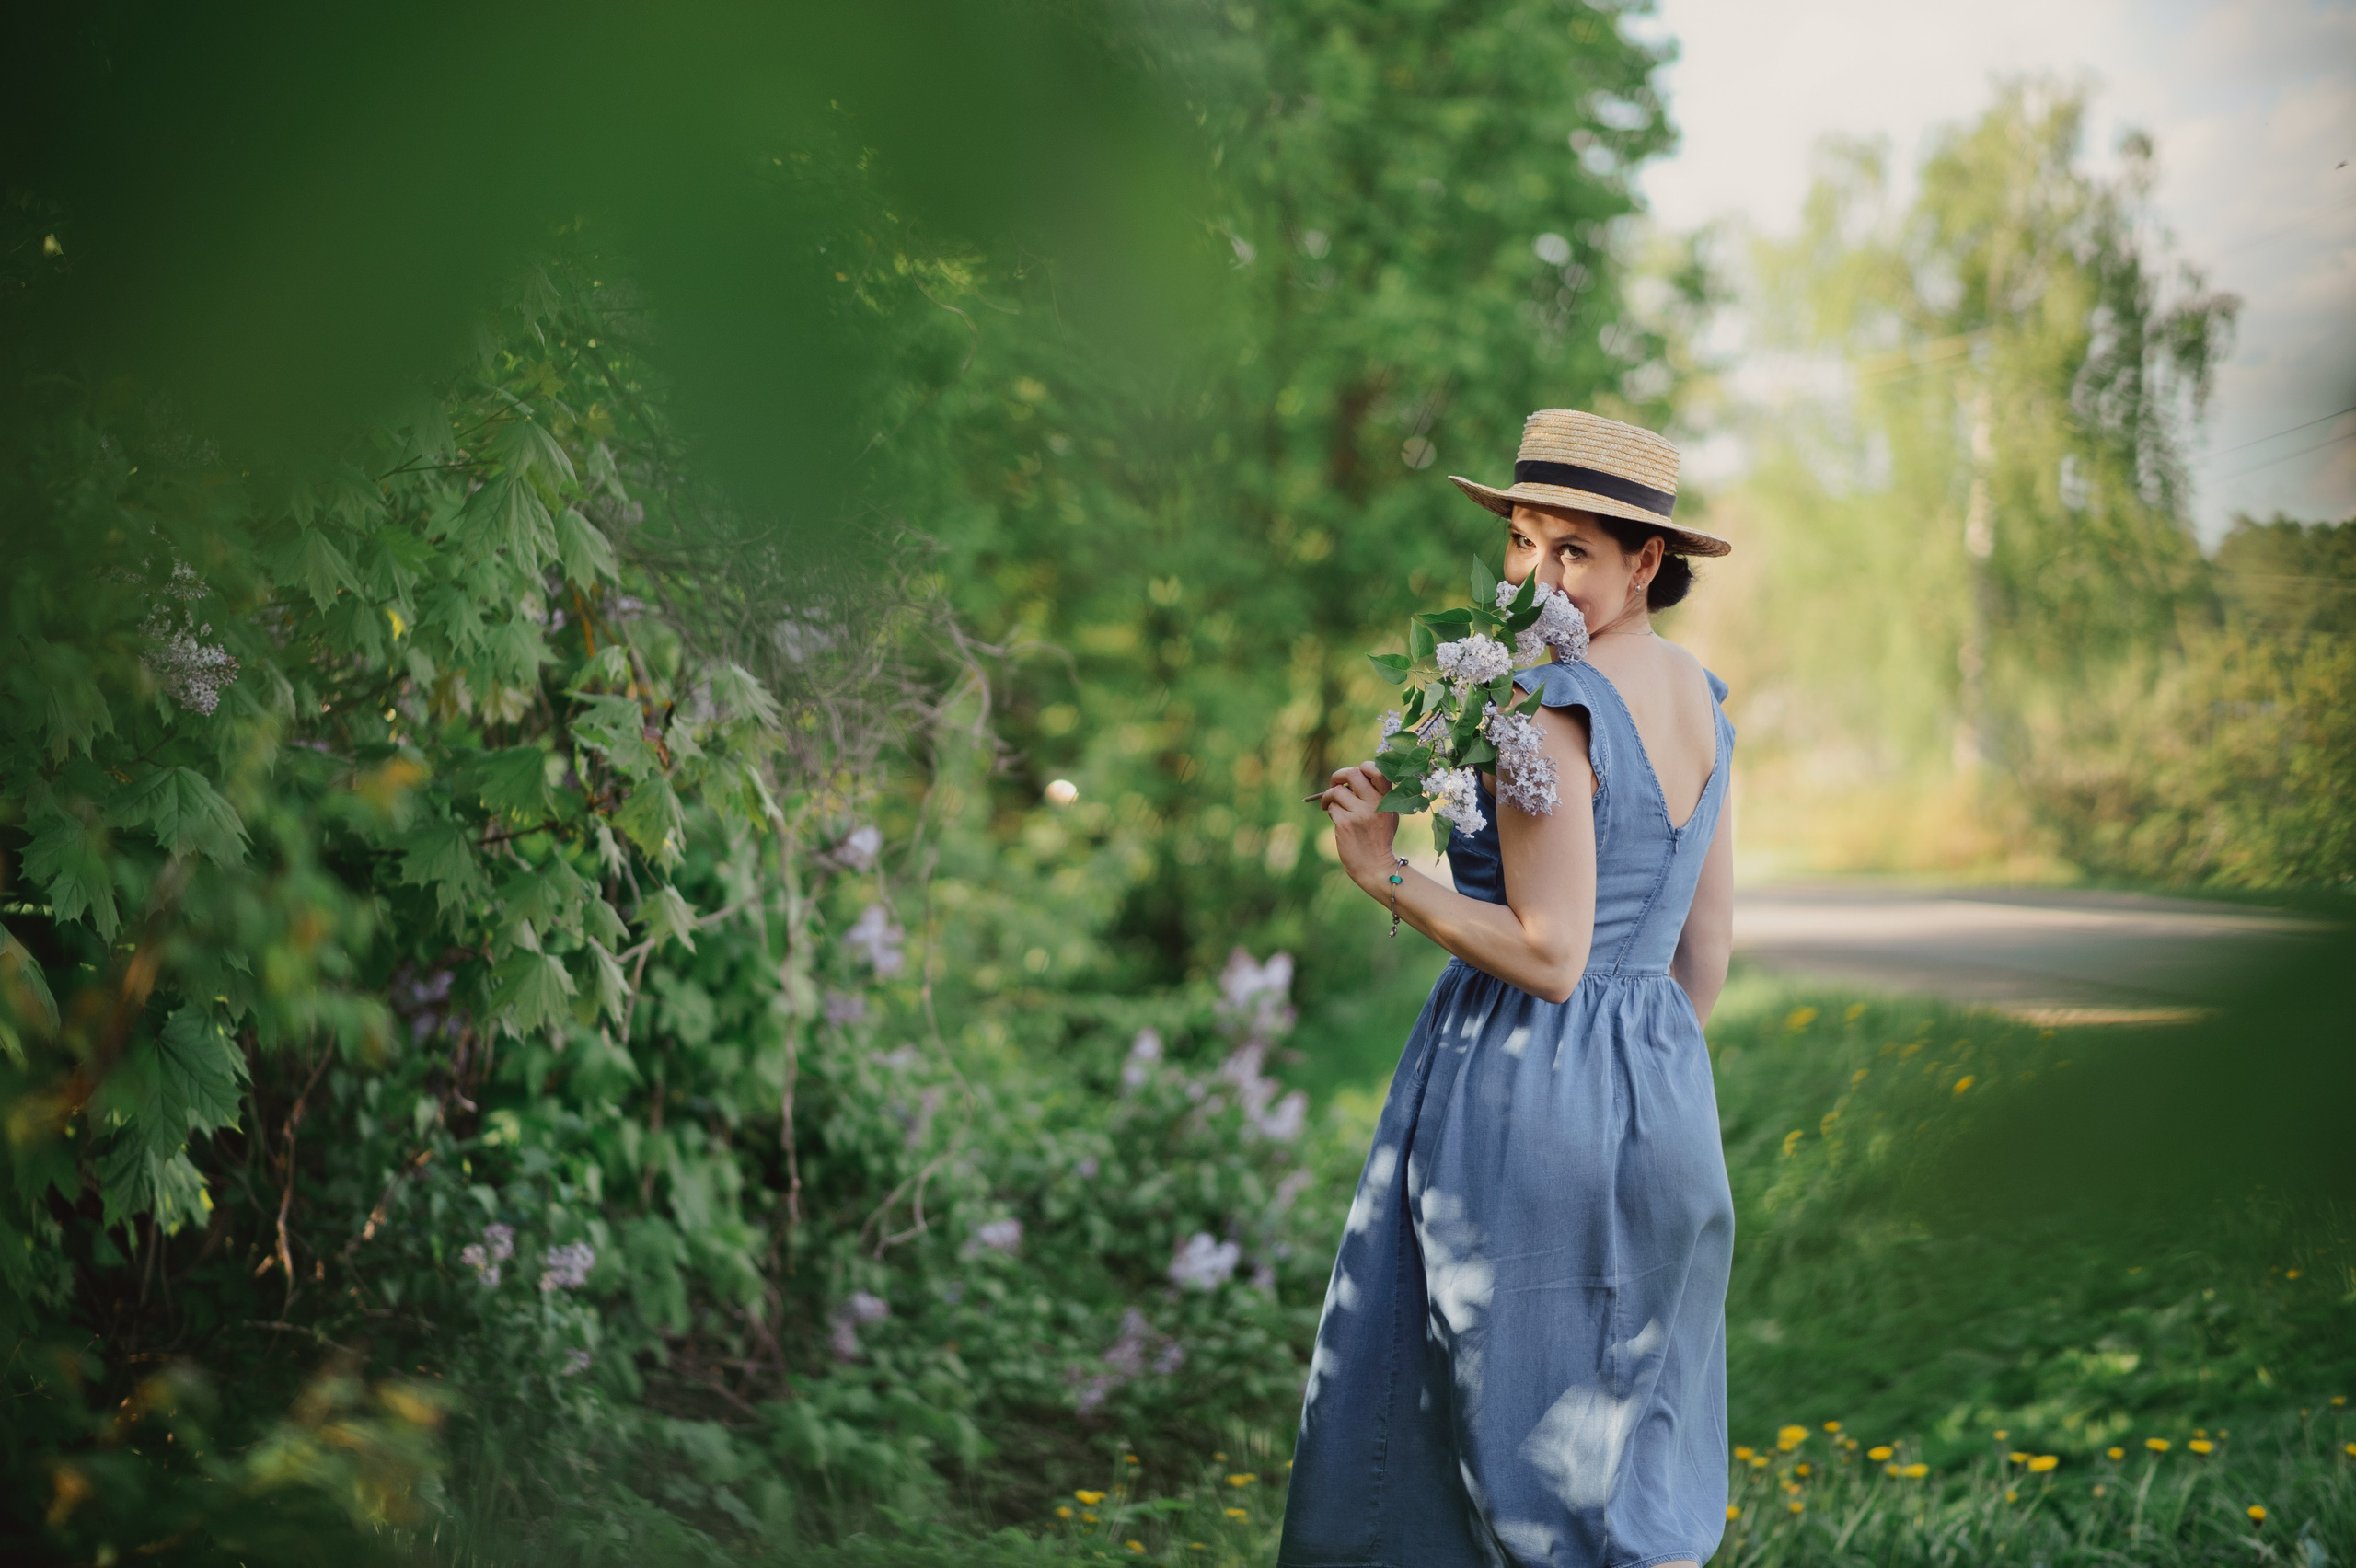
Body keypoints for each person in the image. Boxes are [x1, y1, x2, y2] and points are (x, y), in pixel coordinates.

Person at [1281, 409, 1737, 1568]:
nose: (1537, 579)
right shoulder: (1700, 700)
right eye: (1522, 543)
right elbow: (1704, 956)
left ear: (1648, 561)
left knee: (1502, 1460)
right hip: (1664, 1095)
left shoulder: (1547, 706)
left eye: (1573, 551)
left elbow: (1548, 953)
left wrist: (1387, 874)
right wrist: (1636, 1093)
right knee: (1627, 1454)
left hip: (1527, 1086)